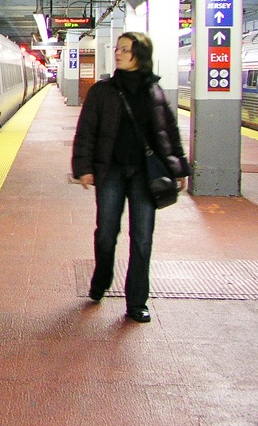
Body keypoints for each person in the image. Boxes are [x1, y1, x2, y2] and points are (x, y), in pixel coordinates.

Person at [71, 32, 191, 324]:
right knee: (106, 233)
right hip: (111, 171)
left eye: (125, 49)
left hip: (144, 175)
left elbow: (168, 132)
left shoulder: (154, 91)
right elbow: (86, 131)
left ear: (140, 54)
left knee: (142, 239)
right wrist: (83, 167)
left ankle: (137, 302)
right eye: (118, 48)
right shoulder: (102, 91)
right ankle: (101, 279)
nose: (118, 53)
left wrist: (179, 167)